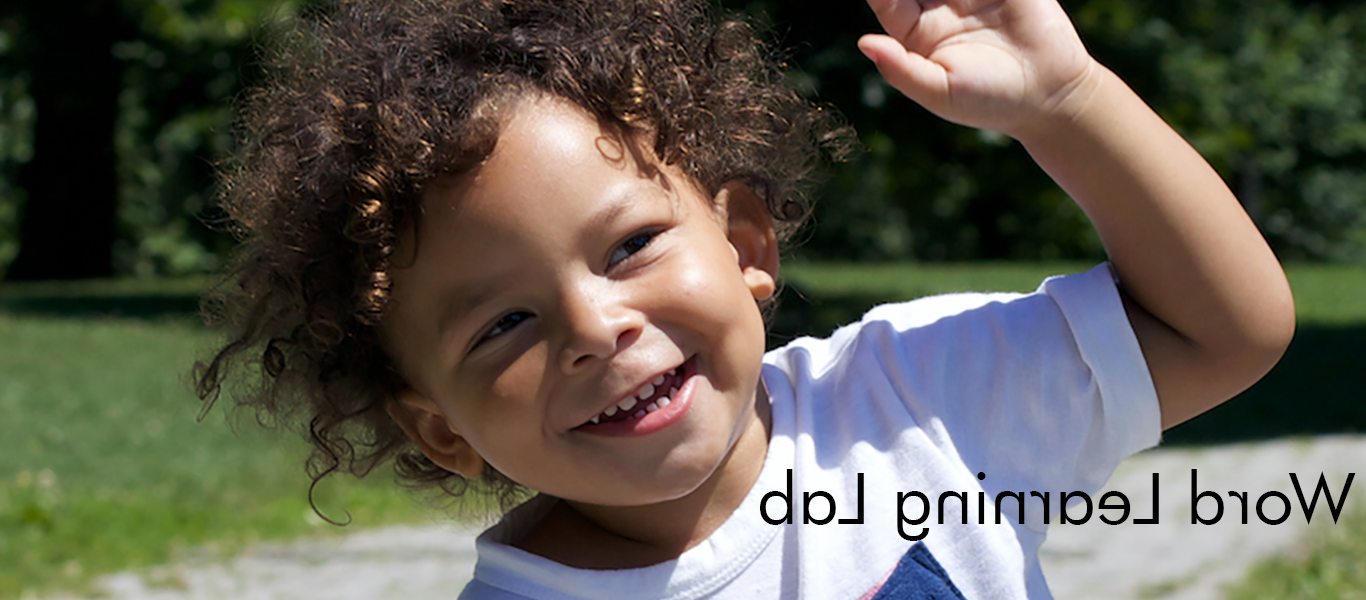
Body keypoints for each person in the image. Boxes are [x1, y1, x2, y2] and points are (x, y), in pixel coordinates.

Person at [194, 0, 1295, 597]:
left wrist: (1063, 102)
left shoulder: (917, 401)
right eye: (504, 324)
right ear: (440, 426)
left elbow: (1225, 331)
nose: (594, 327)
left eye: (627, 246)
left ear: (745, 241)